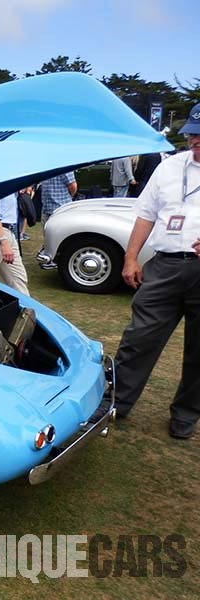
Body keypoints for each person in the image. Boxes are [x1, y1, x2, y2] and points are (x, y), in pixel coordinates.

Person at [113, 103, 200, 439]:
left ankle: (185, 415)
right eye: (192, 133)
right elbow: (146, 214)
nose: (195, 140)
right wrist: (131, 258)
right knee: (139, 338)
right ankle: (117, 402)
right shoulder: (168, 168)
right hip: (164, 266)